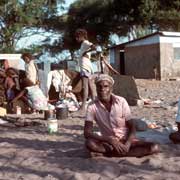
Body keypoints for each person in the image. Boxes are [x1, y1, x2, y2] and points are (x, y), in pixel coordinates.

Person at [84, 74, 159, 157]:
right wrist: (109, 140)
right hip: (108, 143)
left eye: (106, 86)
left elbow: (132, 127)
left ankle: (109, 154)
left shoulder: (121, 101)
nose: (102, 89)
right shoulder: (92, 106)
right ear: (96, 88)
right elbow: (87, 132)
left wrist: (128, 143)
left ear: (111, 89)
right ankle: (120, 153)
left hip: (125, 140)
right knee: (89, 143)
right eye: (99, 86)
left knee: (154, 147)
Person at [75, 28, 96, 111]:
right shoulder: (83, 44)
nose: (76, 39)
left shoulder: (85, 42)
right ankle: (95, 105)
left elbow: (94, 47)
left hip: (85, 67)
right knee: (91, 86)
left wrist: (85, 53)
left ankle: (83, 106)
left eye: (77, 37)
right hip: (88, 67)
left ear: (81, 36)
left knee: (85, 87)